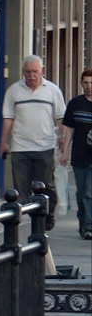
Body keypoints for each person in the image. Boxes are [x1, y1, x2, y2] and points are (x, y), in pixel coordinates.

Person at [0, 55, 66, 230]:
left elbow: (60, 118)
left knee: (47, 186)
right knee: (21, 189)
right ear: (23, 72)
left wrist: (63, 139)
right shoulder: (14, 91)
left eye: (35, 71)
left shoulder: (52, 90)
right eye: (27, 72)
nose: (31, 75)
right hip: (20, 147)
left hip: (45, 146)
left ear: (41, 71)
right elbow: (8, 118)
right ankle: (20, 226)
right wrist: (3, 142)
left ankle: (48, 215)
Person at [59, 68, 92, 240]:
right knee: (81, 193)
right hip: (79, 155)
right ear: (81, 83)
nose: (89, 86)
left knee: (89, 192)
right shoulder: (75, 104)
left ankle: (89, 226)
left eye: (91, 83)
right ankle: (83, 224)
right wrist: (65, 153)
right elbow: (69, 129)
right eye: (86, 83)